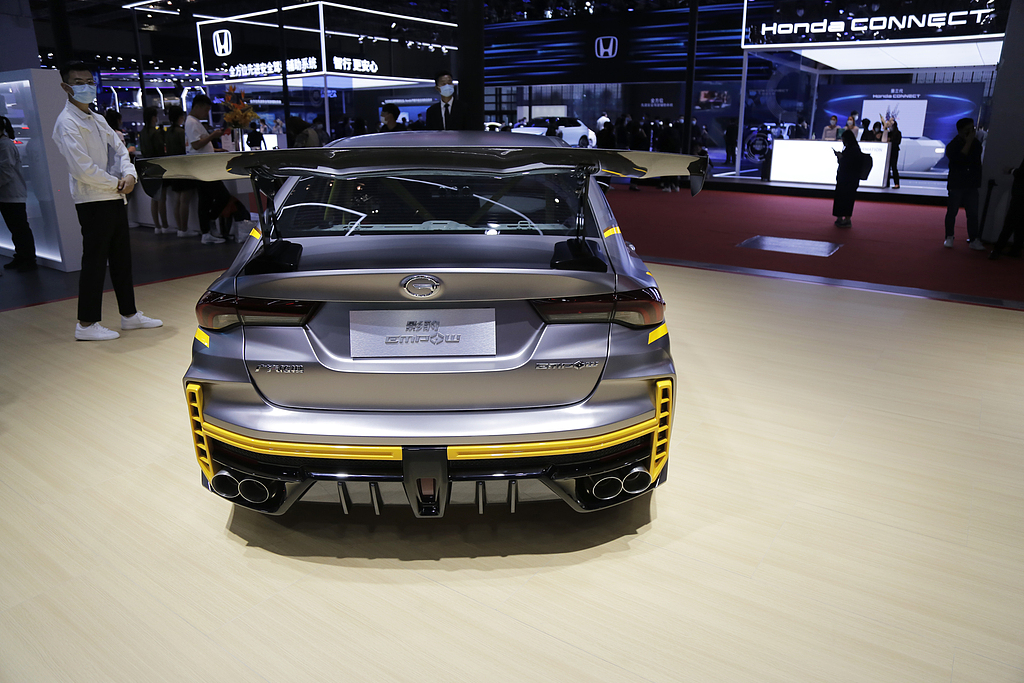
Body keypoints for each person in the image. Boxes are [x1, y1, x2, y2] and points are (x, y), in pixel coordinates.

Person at [51, 61, 162, 341]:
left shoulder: (97, 118)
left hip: (114, 195)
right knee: (95, 262)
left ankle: (129, 315)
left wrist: (129, 175)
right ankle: (86, 324)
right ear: (65, 87)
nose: (86, 87)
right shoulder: (66, 123)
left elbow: (122, 150)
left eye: (89, 81)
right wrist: (118, 183)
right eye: (78, 82)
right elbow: (82, 169)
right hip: (92, 200)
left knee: (122, 259)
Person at [186, 93, 230, 244]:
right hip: (203, 167)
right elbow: (196, 145)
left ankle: (206, 231)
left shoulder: (194, 122)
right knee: (221, 196)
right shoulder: (192, 123)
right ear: (198, 107)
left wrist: (215, 150)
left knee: (205, 200)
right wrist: (213, 136)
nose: (206, 113)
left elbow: (198, 146)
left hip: (201, 166)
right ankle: (209, 224)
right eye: (205, 110)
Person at [0, 115, 38, 272]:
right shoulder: (4, 144)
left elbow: (6, 171)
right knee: (17, 228)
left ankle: (28, 258)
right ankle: (23, 256)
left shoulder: (4, 145)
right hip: (8, 194)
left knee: (20, 228)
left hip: (12, 194)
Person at [944, 117, 985, 250]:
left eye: (973, 129)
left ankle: (973, 239)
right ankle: (949, 236)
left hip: (971, 184)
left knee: (973, 213)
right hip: (956, 183)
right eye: (968, 130)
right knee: (952, 212)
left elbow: (975, 162)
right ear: (960, 131)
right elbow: (960, 160)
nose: (972, 132)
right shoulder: (953, 145)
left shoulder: (976, 144)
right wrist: (968, 142)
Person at [138, 106, 171, 234]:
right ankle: (165, 225)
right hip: (157, 166)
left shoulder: (142, 133)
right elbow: (160, 151)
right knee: (161, 198)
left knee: (154, 197)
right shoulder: (155, 133)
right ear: (153, 117)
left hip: (147, 167)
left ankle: (157, 226)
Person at [988, 155, 1024, 260]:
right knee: (1020, 225)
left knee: (1009, 223)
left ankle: (997, 250)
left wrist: (1011, 170)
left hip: (1020, 196)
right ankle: (1016, 249)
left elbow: (1021, 174)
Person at [832, 130, 864, 228]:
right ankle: (842, 218)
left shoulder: (853, 149)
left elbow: (849, 163)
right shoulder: (853, 148)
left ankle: (845, 218)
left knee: (845, 198)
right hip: (848, 178)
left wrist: (841, 158)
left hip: (848, 178)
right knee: (845, 198)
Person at [885, 117, 902, 189]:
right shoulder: (889, 133)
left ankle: (896, 183)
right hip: (888, 151)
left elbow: (898, 142)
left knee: (894, 167)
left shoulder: (898, 133)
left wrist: (891, 140)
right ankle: (886, 183)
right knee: (887, 168)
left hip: (894, 151)